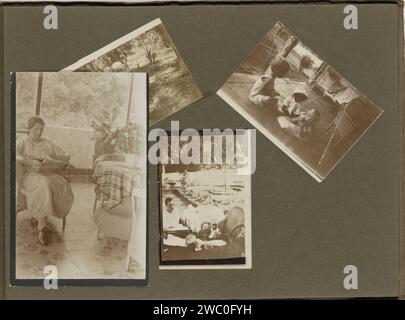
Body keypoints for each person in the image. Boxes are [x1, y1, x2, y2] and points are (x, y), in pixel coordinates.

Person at [16, 116, 74, 245]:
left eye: (41, 130)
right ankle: (42, 226)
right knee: (43, 185)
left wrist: (54, 160)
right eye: (36, 129)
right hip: (28, 176)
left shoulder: (47, 143)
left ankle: (38, 215)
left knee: (62, 185)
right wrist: (30, 161)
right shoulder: (23, 141)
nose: (39, 132)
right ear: (29, 129)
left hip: (48, 174)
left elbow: (66, 155)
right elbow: (13, 154)